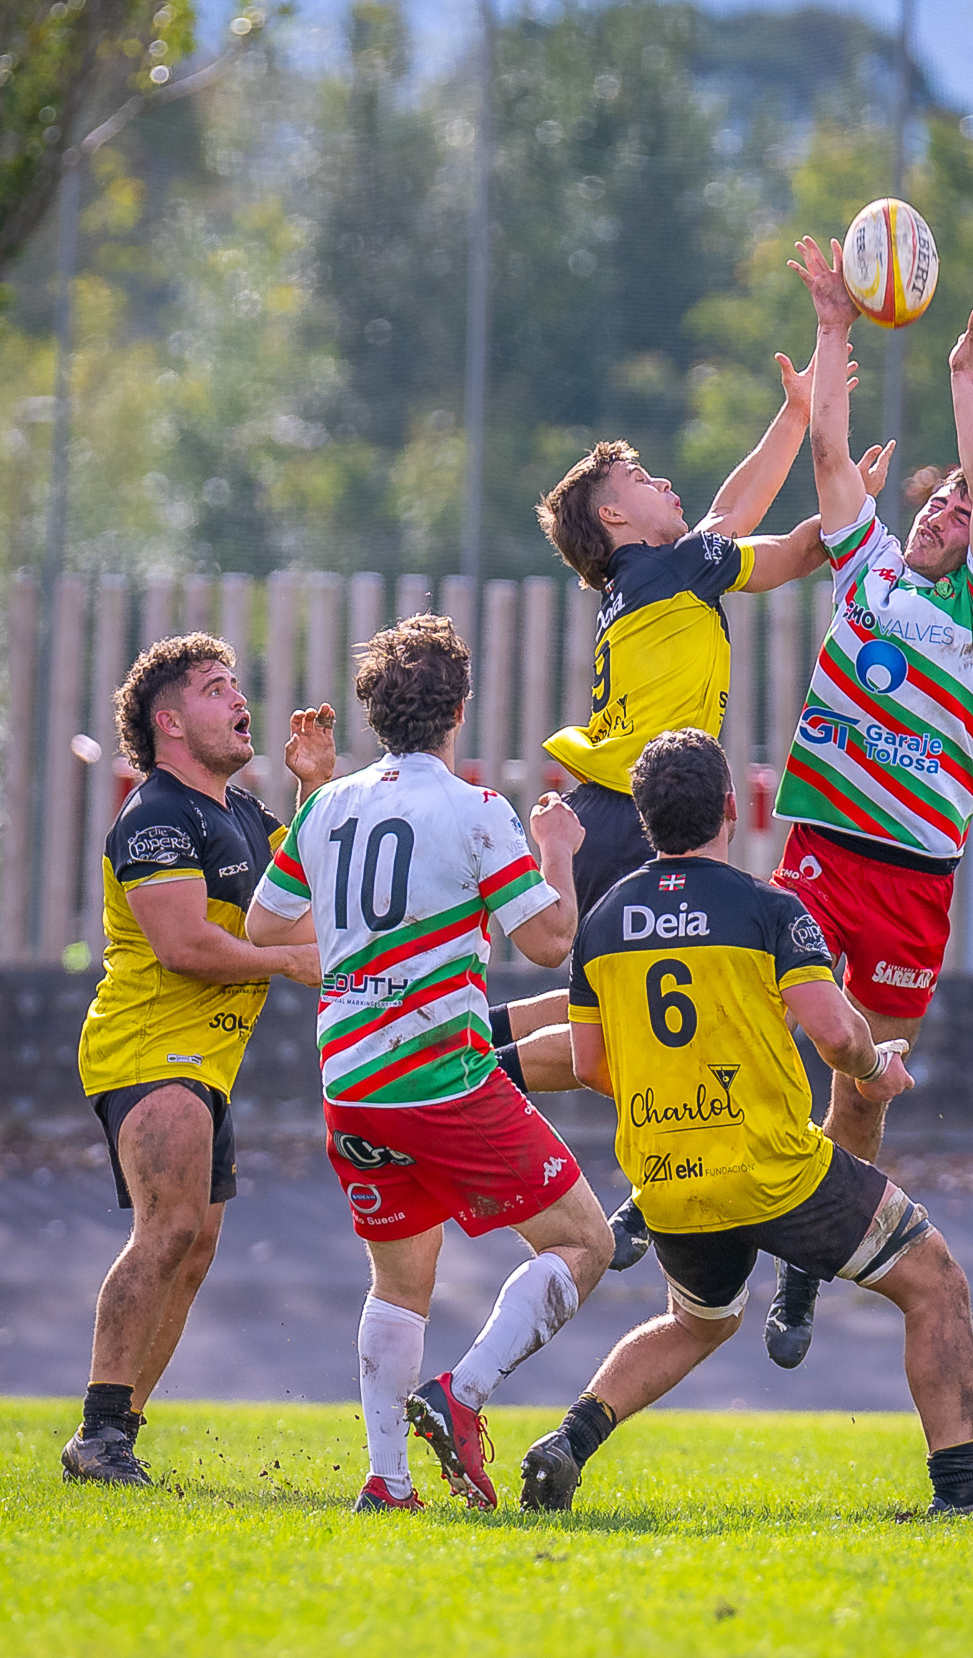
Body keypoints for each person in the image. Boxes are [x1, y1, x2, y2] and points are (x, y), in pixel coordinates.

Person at [520, 730, 973, 1521]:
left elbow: (586, 1065)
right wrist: (869, 1070)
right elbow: (836, 1033)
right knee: (935, 1282)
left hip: (668, 1180)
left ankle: (568, 1443)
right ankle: (960, 1497)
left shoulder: (605, 919)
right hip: (777, 1170)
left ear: (645, 820)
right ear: (726, 810)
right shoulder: (770, 907)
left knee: (696, 1321)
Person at [494, 353, 893, 1251]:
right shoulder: (674, 570)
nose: (660, 479)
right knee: (686, 1005)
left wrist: (793, 421)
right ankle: (466, 1071)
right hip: (642, 821)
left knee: (612, 1009)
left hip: (607, 814)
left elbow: (727, 517)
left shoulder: (654, 577)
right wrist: (848, 511)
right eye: (639, 476)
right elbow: (789, 549)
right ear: (612, 515)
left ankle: (461, 1047)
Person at [246, 615, 614, 1514]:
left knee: (399, 1284)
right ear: (458, 708)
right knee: (587, 1243)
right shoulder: (477, 810)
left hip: (349, 1083)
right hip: (439, 1080)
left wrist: (349, 940)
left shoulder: (326, 806)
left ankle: (387, 1480)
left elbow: (263, 926)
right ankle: (465, 1394)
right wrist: (561, 852)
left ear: (375, 714)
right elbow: (549, 941)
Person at [762, 242, 973, 1368]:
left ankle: (803, 1267)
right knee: (766, 1026)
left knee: (862, 1089)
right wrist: (832, 328)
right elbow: (828, 450)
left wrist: (965, 378)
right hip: (823, 849)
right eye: (935, 503)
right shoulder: (865, 564)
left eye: (962, 511)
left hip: (915, 881)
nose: (941, 514)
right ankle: (688, 1209)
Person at [62, 635, 333, 1486]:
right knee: (169, 1228)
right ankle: (98, 1433)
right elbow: (182, 944)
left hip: (206, 1063)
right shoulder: (155, 815)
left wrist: (315, 784)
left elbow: (312, 889)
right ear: (171, 722)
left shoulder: (249, 816)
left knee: (197, 1242)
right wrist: (290, 962)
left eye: (237, 685)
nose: (239, 699)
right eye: (217, 689)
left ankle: (116, 1438)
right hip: (147, 1047)